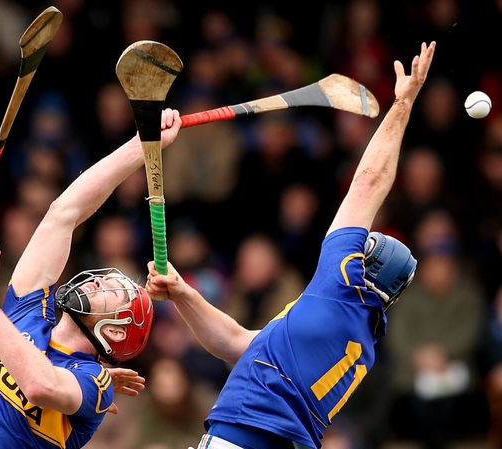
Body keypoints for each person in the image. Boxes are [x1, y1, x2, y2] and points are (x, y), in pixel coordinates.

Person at [146, 42, 435, 449]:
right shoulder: (354, 339)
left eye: (362, 247)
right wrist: (182, 293)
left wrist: (402, 104)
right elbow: (236, 343)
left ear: (364, 269)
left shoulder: (340, 287)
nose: (353, 241)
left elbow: (368, 183)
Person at [0, 109, 184, 449]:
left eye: (112, 291)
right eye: (104, 279)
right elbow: (63, 213)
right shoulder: (29, 310)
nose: (96, 281)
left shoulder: (95, 383)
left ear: (116, 330)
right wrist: (144, 145)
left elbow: (40, 386)